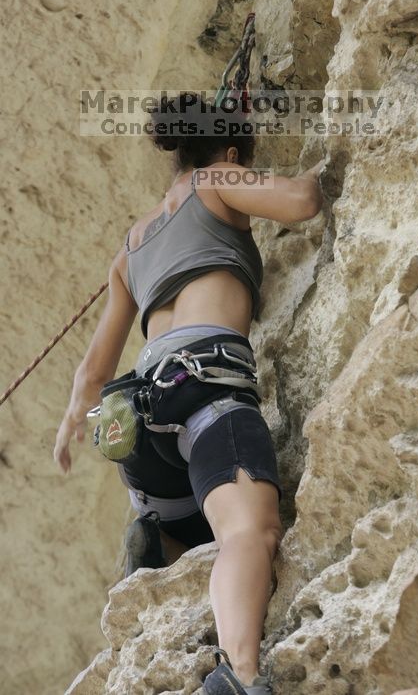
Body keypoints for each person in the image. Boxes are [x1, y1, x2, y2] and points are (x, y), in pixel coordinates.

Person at [54, 93, 323, 695]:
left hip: (136, 415)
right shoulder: (214, 179)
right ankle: (240, 676)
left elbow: (91, 375)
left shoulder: (130, 245)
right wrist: (321, 165)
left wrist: (72, 421)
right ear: (229, 152)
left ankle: (162, 529)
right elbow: (301, 202)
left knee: (200, 513)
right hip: (205, 383)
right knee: (249, 531)